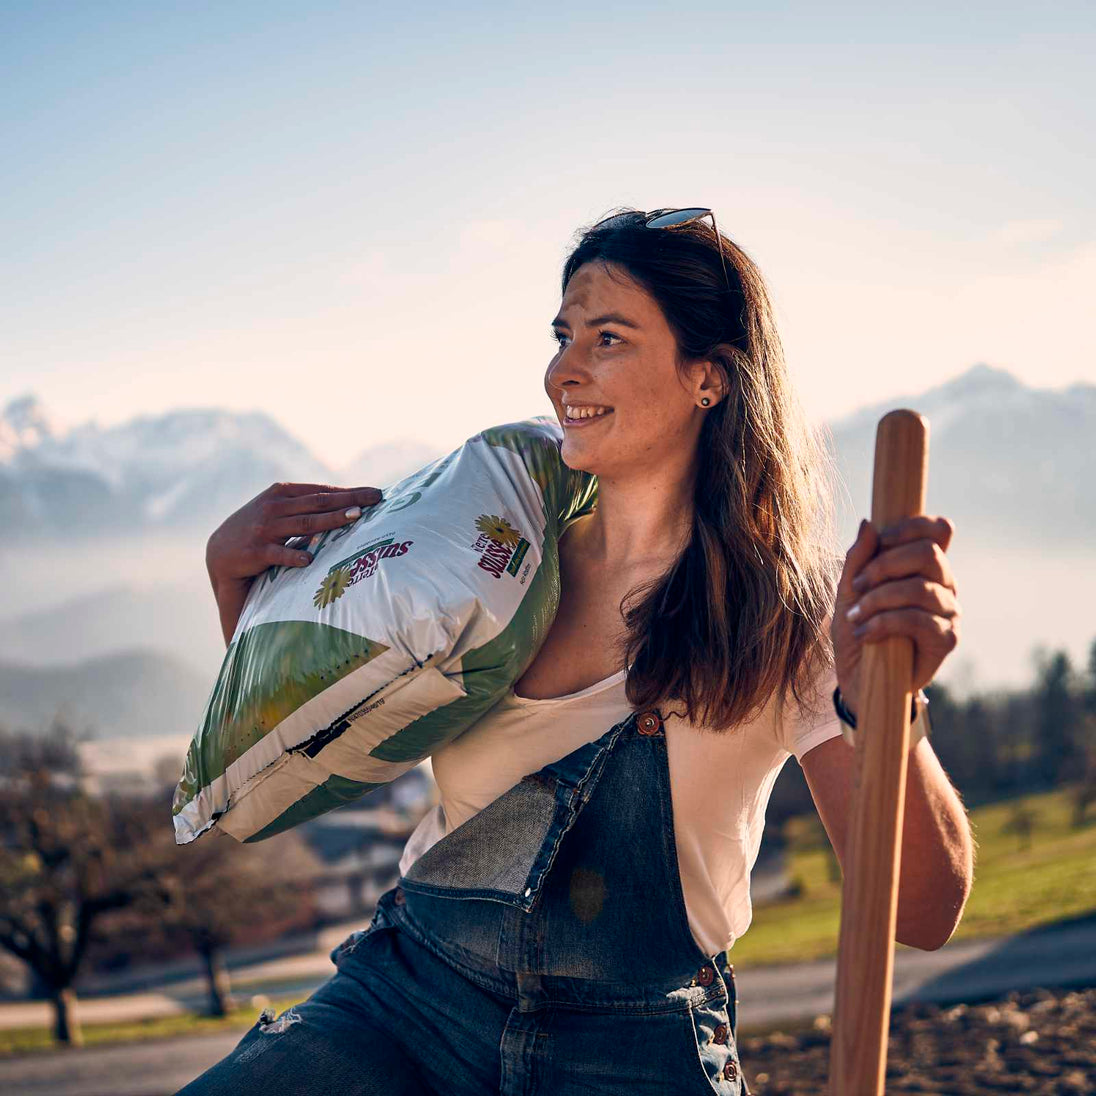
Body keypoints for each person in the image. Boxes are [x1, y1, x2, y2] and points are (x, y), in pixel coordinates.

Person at [180, 207, 972, 1095]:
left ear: (707, 378)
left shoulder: (796, 615)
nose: (564, 370)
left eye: (608, 338)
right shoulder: (494, 561)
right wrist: (236, 587)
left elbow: (923, 912)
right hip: (408, 1007)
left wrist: (886, 706)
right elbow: (323, 745)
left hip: (632, 1052)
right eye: (562, 335)